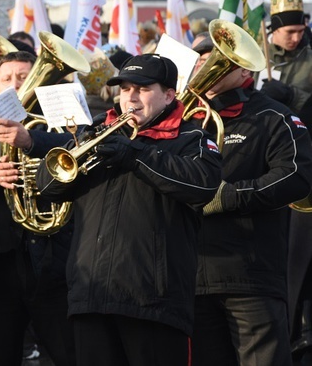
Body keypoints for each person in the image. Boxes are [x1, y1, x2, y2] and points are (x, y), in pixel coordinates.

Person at [35, 53, 223, 366]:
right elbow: (48, 186)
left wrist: (135, 155)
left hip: (153, 301)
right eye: (124, 89)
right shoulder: (97, 132)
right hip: (91, 297)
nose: (130, 98)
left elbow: (202, 186)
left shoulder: (192, 138)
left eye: (142, 89)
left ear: (169, 94)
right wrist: (83, 149)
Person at [189, 37, 312, 366]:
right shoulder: (181, 120)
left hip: (250, 277)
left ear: (244, 68)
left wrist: (229, 196)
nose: (204, 65)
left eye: (214, 59)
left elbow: (296, 177)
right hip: (189, 277)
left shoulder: (275, 117)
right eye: (199, 60)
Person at [0, 50, 76, 366]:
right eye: (7, 79)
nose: (15, 85)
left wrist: (31, 141)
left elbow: (79, 156)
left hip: (52, 264)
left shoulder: (60, 120)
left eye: (22, 76)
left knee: (70, 354)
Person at [260, 0, 312, 114]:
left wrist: (292, 96)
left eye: (300, 31)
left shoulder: (309, 60)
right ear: (275, 29)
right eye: (290, 32)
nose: (296, 38)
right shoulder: (257, 55)